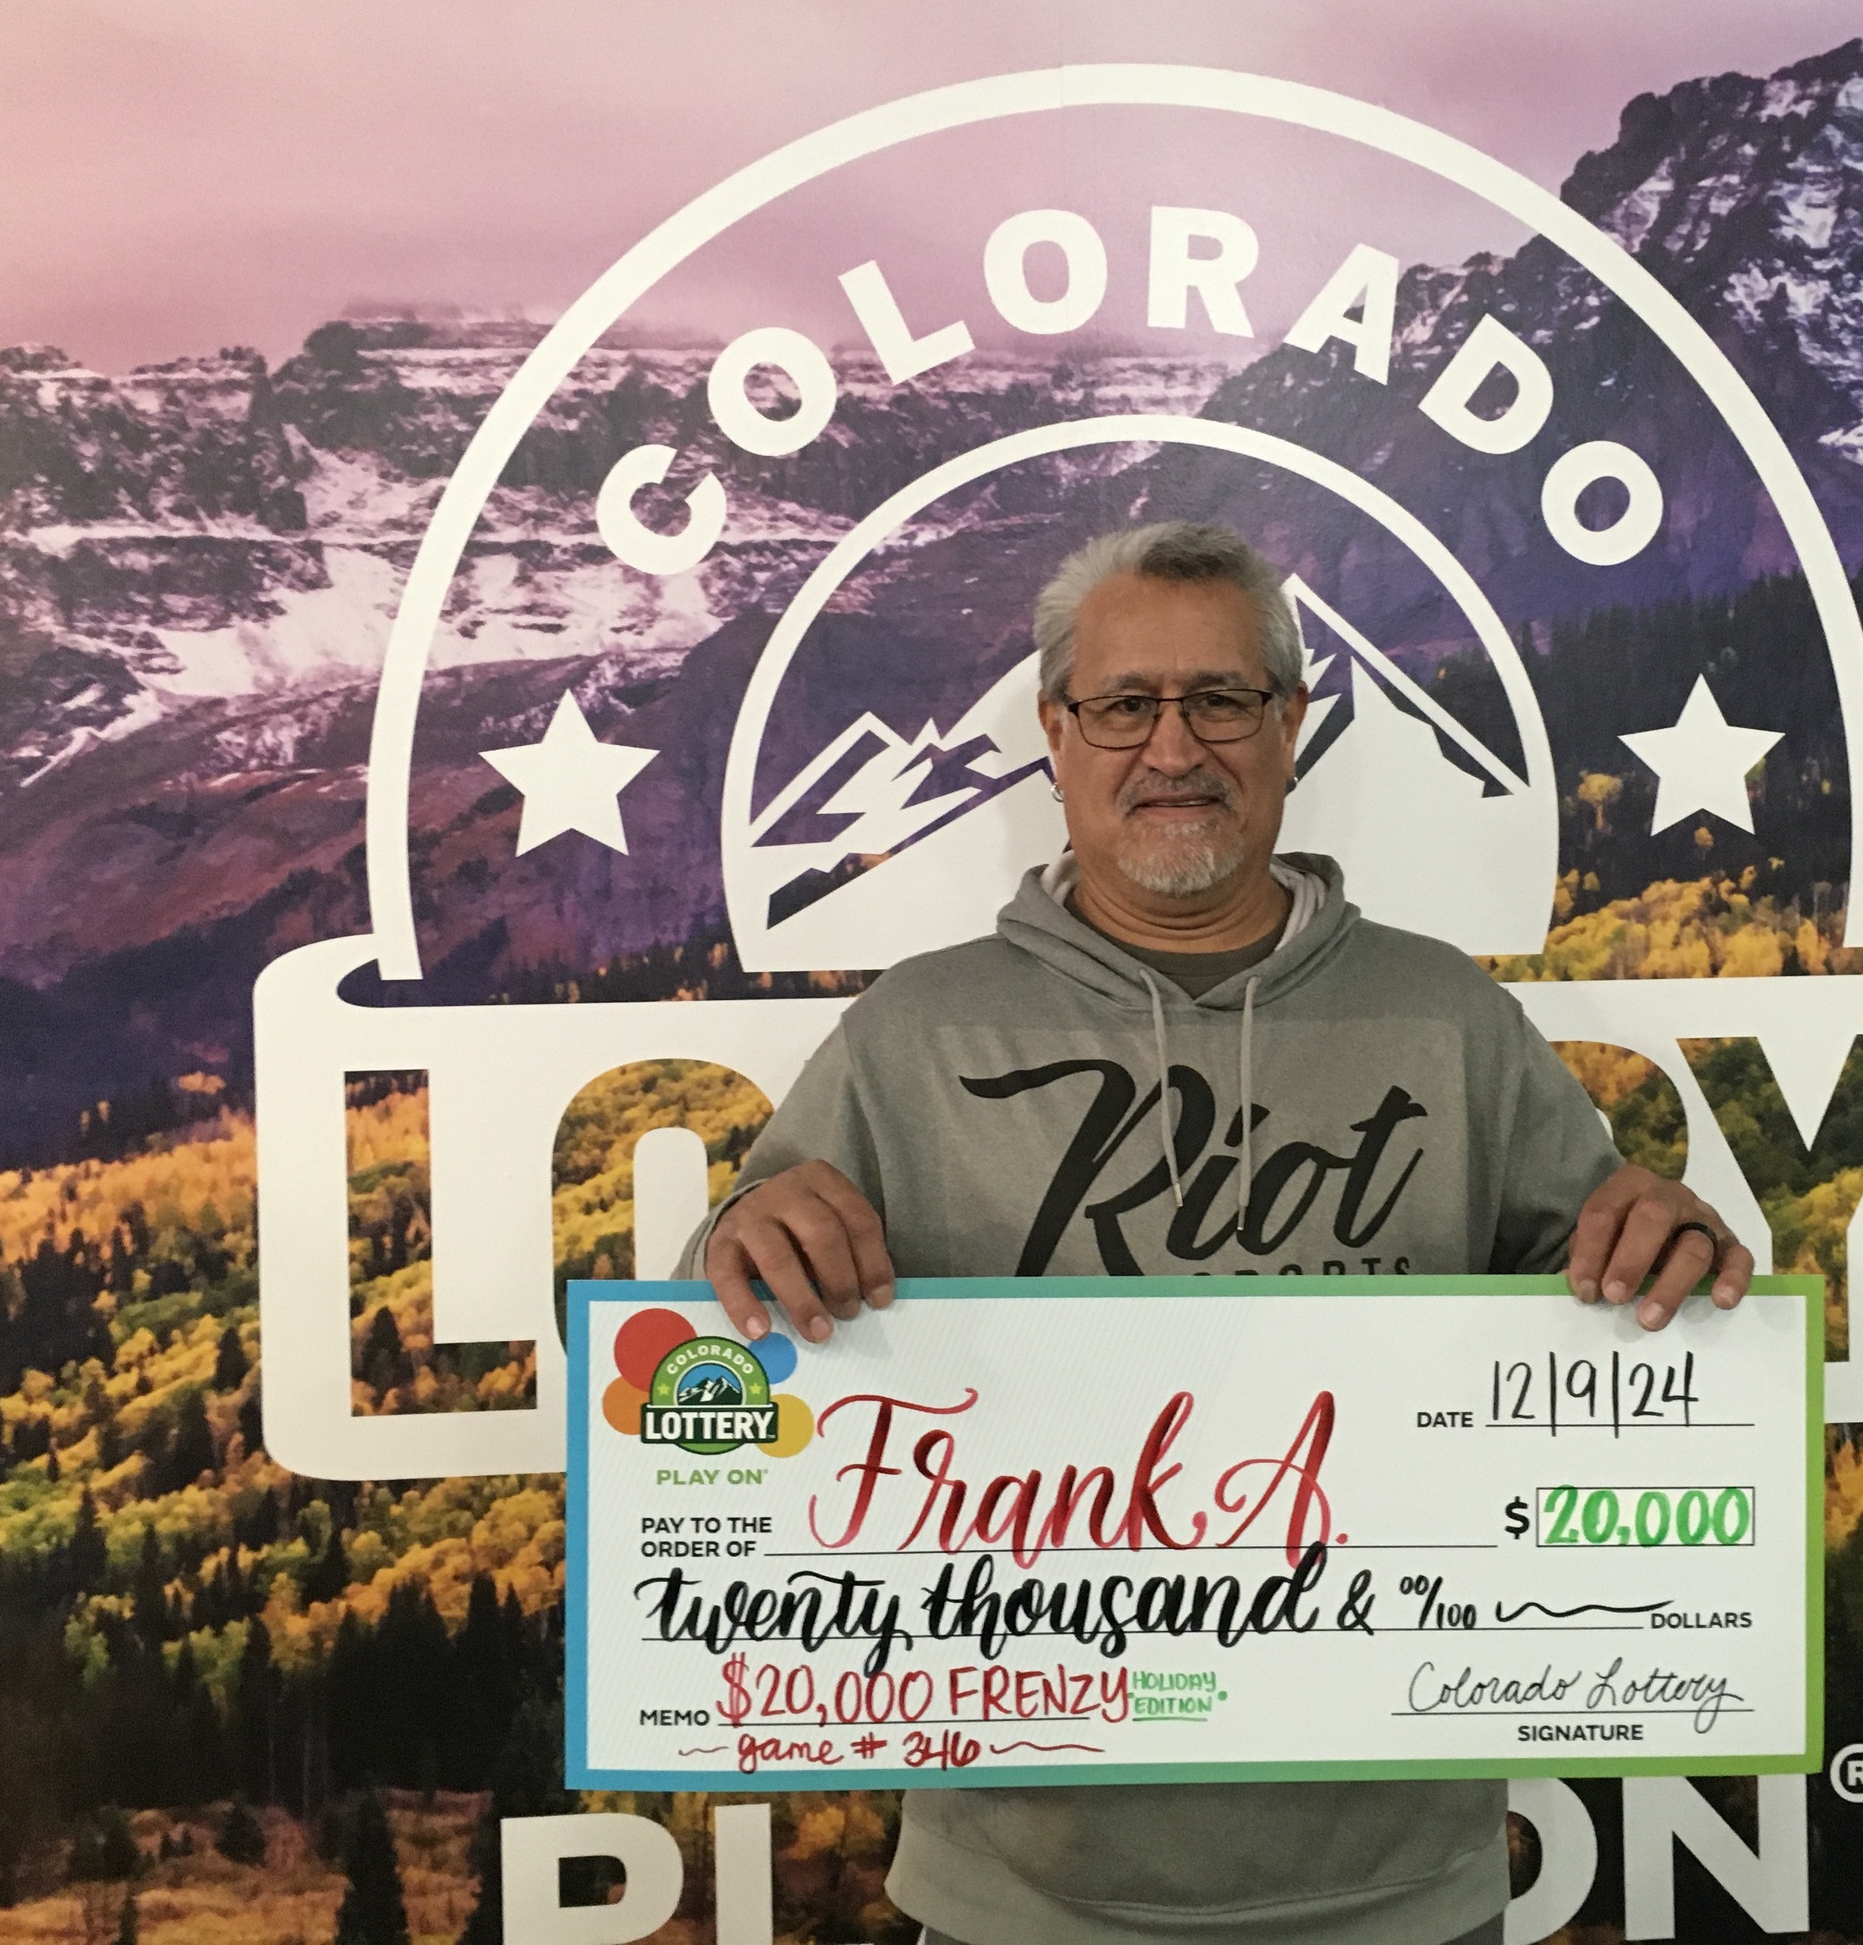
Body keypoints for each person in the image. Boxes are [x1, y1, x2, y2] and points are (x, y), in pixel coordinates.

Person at [683, 520, 1754, 1945]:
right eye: (1126, 705)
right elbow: (732, 1335)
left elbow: (1606, 1307)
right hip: (1020, 1896)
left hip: (1402, 1890)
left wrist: (1660, 1243)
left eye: (1223, 700)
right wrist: (743, 1226)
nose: (1172, 747)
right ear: (1057, 732)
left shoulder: (1450, 1024)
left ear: (1293, 725)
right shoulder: (910, 1036)